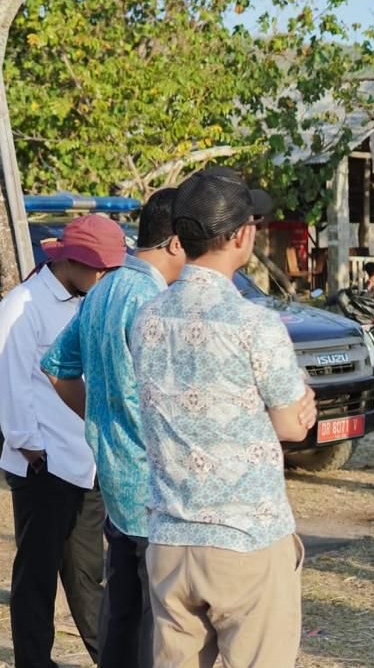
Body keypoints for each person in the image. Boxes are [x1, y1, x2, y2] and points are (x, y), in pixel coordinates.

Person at [131, 168, 318, 667]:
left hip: (170, 537)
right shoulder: (255, 324)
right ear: (241, 236)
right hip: (246, 537)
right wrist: (298, 406)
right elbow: (290, 425)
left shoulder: (146, 318)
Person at [42, 190, 187, 668]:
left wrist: (101, 419)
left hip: (116, 480)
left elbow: (57, 368)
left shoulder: (103, 288)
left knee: (121, 618)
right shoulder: (154, 301)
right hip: (156, 488)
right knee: (153, 627)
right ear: (176, 243)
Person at [0, 213, 126, 667]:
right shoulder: (23, 304)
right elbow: (10, 380)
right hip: (43, 462)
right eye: (100, 268)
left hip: (86, 459)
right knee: (37, 575)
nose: (106, 277)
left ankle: (110, 658)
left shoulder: (91, 299)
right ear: (71, 260)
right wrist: (29, 447)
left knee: (87, 574)